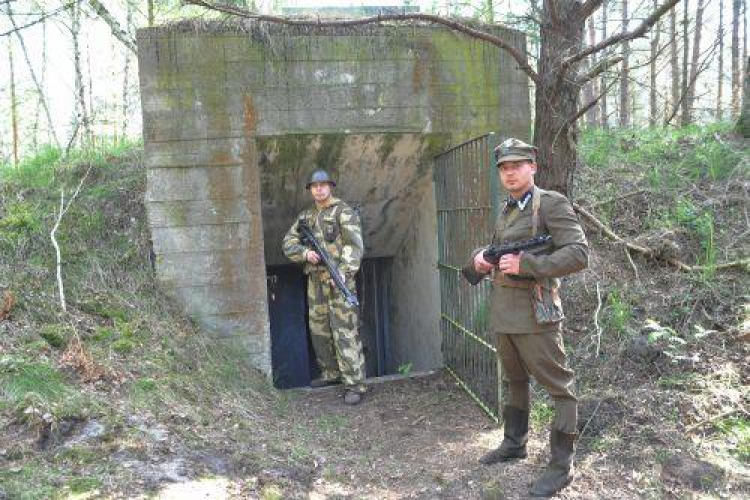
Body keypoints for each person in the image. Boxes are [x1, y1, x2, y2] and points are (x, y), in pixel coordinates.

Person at [463, 138, 588, 497]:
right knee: (513, 381)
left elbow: (579, 254)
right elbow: (494, 251)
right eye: (504, 167)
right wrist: (478, 260)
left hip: (537, 313)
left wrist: (528, 264)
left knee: (560, 389)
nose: (510, 172)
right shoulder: (507, 208)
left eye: (517, 165)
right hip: (504, 313)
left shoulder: (550, 203)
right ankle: (514, 443)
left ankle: (562, 466)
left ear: (533, 167)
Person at [282, 169, 367, 405]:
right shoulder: (305, 217)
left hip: (340, 281)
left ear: (331, 187)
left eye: (323, 185)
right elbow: (288, 242)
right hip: (315, 281)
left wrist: (341, 273)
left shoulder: (344, 212)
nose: (319, 189)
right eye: (314, 186)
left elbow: (354, 246)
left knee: (345, 331)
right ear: (310, 189)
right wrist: (304, 253)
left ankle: (355, 384)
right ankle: (331, 374)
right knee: (319, 329)